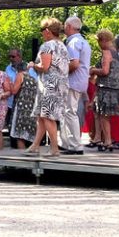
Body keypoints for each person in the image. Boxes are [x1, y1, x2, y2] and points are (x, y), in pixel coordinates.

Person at [26, 18, 70, 157]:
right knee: (41, 116)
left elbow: (45, 67)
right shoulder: (62, 46)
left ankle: (54, 148)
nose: (41, 34)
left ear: (47, 31)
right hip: (61, 83)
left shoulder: (47, 46)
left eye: (42, 31)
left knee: (48, 117)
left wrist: (33, 65)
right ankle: (35, 145)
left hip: (49, 85)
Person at [89, 30, 119, 152]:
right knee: (104, 115)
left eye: (98, 41)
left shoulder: (107, 52)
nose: (98, 44)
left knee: (103, 115)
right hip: (115, 87)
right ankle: (104, 139)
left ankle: (107, 141)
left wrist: (93, 70)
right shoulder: (116, 53)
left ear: (103, 40)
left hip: (106, 87)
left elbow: (105, 71)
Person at [62, 16, 89, 154]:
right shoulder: (83, 41)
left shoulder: (73, 42)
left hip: (73, 81)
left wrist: (61, 70)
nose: (64, 28)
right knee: (69, 112)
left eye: (65, 25)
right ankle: (68, 143)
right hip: (81, 81)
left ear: (69, 27)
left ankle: (75, 145)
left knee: (69, 112)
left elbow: (74, 63)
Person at [9, 62, 38, 149]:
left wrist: (10, 84)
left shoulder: (20, 75)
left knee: (20, 135)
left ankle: (21, 156)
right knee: (30, 135)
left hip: (21, 108)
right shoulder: (33, 79)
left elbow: (14, 91)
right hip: (31, 108)